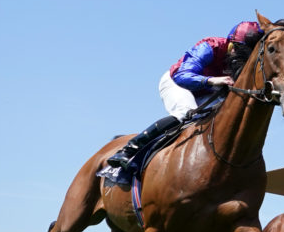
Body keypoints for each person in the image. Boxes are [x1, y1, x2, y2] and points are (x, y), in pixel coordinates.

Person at [107, 21, 265, 169]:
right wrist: (211, 80)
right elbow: (182, 76)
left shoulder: (244, 60)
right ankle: (129, 149)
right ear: (230, 41)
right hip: (177, 82)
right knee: (185, 112)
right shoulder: (210, 46)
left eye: (245, 53)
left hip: (207, 91)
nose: (236, 54)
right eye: (236, 48)